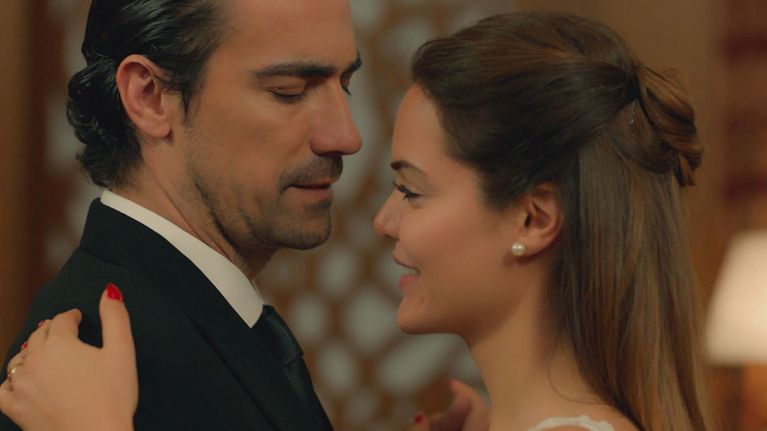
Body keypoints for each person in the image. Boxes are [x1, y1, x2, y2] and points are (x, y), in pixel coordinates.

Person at [0, 10, 714, 431]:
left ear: (535, 218)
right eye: (291, 89)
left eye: (345, 83)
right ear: (150, 96)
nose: (346, 135)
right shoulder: (85, 355)